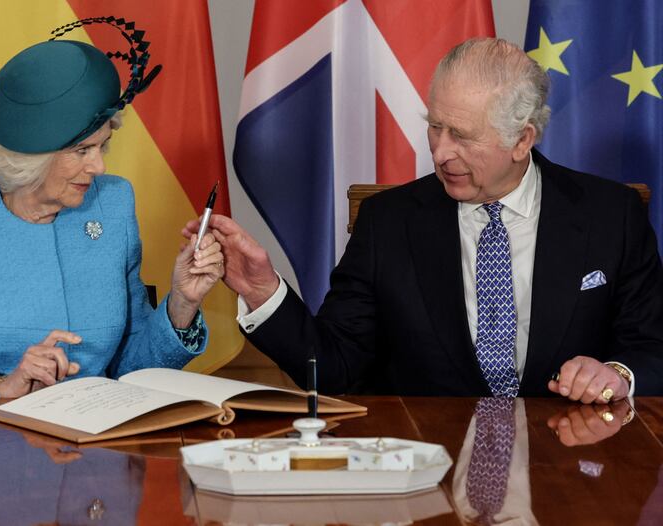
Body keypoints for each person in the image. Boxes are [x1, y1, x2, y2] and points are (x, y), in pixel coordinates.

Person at [187, 37, 663, 402]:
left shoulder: (610, 215)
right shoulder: (387, 223)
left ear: (523, 140)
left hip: (571, 472)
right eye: (435, 125)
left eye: (462, 135)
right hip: (426, 464)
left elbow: (652, 346)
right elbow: (334, 367)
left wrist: (617, 374)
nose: (440, 152)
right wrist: (262, 291)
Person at [0, 32, 225, 403]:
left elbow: (133, 370)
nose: (99, 166)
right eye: (82, 150)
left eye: (102, 146)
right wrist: (1, 385)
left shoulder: (113, 202)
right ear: (32, 155)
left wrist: (182, 305)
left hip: (98, 448)